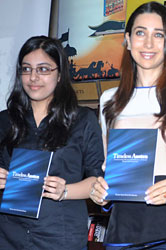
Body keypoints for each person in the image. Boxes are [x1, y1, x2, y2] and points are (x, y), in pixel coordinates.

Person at [89, 1, 166, 249]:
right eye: (140, 33)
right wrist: (100, 192)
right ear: (127, 40)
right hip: (122, 234)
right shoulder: (110, 100)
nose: (148, 44)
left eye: (158, 35)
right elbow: (110, 169)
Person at [0, 35, 104, 250]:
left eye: (44, 69)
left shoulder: (83, 120)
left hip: (60, 234)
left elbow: (98, 180)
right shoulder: (4, 120)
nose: (33, 77)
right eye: (26, 69)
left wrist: (65, 191)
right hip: (8, 234)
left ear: (59, 75)